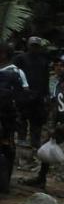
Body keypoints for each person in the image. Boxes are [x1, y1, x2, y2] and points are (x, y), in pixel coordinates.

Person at [24, 55, 64, 189]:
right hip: (60, 124)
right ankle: (41, 178)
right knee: (46, 147)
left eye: (63, 65)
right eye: (57, 65)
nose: (59, 68)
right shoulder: (57, 83)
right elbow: (54, 106)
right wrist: (51, 125)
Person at [14, 37, 50, 151]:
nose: (34, 48)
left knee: (37, 122)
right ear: (28, 46)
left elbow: (46, 78)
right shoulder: (20, 58)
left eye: (36, 46)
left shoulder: (43, 60)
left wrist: (46, 94)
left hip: (38, 96)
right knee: (22, 121)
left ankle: (35, 144)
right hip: (23, 95)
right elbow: (14, 74)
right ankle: (22, 142)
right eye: (32, 45)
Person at [0, 42, 25, 192]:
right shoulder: (14, 73)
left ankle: (4, 184)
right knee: (7, 149)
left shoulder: (12, 72)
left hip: (7, 119)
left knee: (7, 150)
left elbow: (20, 97)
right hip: (9, 120)